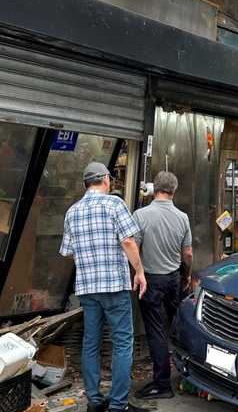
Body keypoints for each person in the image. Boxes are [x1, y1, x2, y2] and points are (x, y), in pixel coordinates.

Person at [60, 162, 149, 412]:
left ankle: (94, 401)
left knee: (91, 342)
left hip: (87, 288)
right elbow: (129, 241)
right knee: (122, 342)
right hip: (114, 285)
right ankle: (118, 405)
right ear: (106, 180)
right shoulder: (114, 204)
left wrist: (88, 259)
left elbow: (68, 252)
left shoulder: (72, 211)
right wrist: (139, 271)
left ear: (85, 184)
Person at [132, 171, 193, 400]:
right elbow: (187, 253)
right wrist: (186, 276)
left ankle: (162, 384)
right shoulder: (183, 217)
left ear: (154, 188)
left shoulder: (141, 215)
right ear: (174, 191)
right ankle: (188, 375)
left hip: (152, 280)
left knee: (156, 332)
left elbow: (133, 249)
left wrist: (137, 273)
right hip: (174, 279)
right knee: (175, 327)